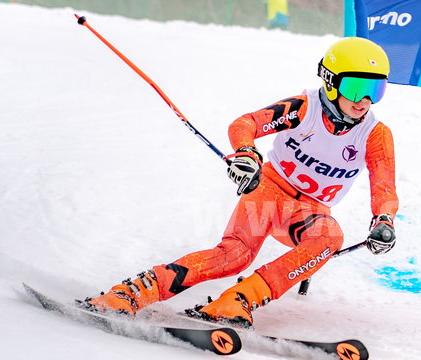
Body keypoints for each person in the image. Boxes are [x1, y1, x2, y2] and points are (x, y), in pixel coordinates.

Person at [83, 37, 398, 327]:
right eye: (357, 88)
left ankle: (236, 302)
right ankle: (129, 294)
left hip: (309, 212)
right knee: (234, 257)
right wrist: (247, 154)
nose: (365, 100)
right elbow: (246, 123)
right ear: (330, 82)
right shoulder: (304, 109)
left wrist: (384, 220)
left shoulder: (374, 134)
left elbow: (384, 185)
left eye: (377, 90)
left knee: (329, 237)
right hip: (268, 193)